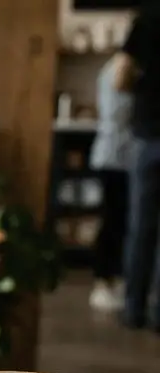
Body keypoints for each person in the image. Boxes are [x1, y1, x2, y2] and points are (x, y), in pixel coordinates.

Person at [114, 2, 160, 330]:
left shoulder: (148, 16)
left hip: (149, 132)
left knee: (141, 226)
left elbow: (120, 77)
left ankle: (133, 310)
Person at [89, 55, 133, 312]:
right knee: (113, 222)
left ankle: (111, 281)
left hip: (117, 154)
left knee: (116, 221)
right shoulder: (119, 69)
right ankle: (103, 283)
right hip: (115, 155)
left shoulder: (115, 66)